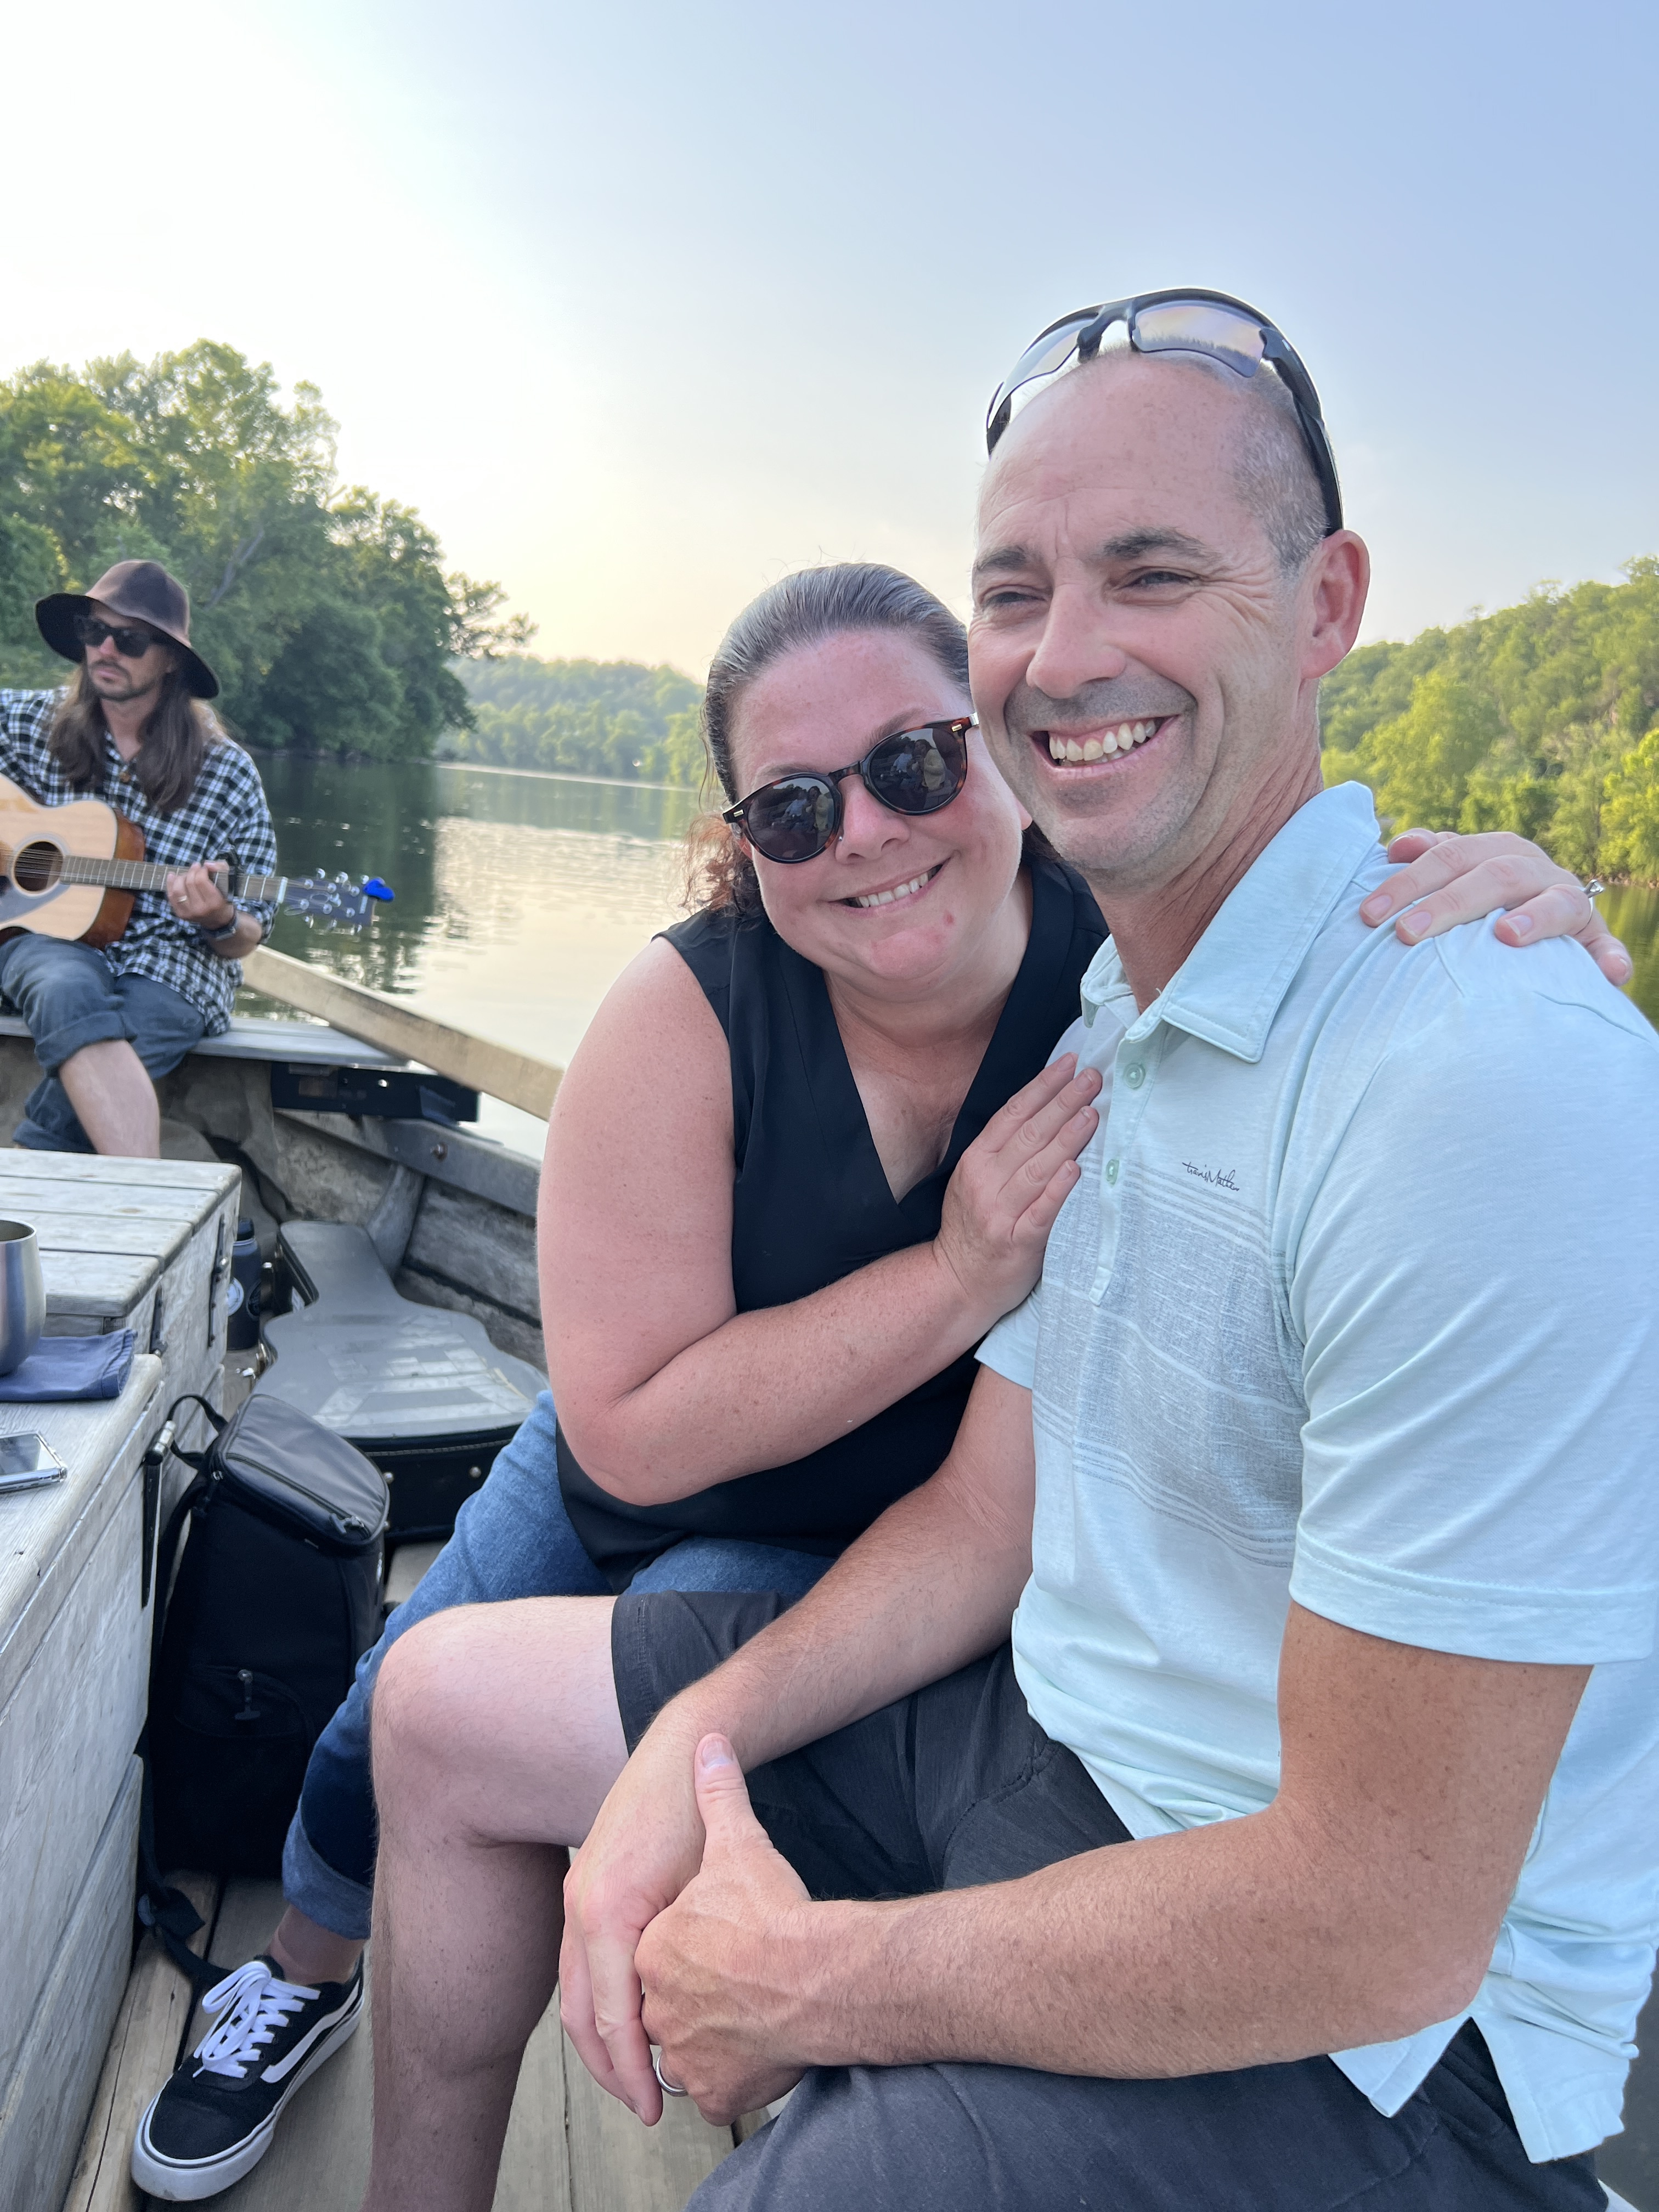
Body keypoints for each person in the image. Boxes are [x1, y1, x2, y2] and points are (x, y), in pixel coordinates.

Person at [358, 292, 1659, 2212]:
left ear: (1324, 607)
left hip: (1385, 2042)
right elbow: (986, 1520)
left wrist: (821, 1981)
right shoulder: (1118, 1025)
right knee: (431, 1709)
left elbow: (1380, 1920)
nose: (1066, 654)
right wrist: (696, 1732)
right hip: (1043, 1728)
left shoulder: (1478, 1078)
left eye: (1153, 572)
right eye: (1017, 591)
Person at [0, 560, 276, 1155]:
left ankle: (33, 1167)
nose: (105, 649)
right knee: (62, 987)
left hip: (173, 963)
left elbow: (249, 932)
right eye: (95, 631)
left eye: (129, 640)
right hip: (47, 936)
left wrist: (218, 918)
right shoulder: (29, 721)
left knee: (144, 1021)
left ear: (171, 660)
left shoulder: (227, 773)